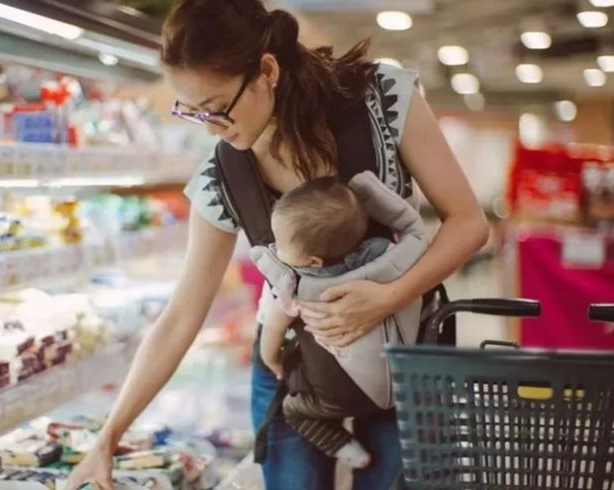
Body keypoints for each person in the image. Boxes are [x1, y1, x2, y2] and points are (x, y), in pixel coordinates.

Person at [66, 1, 488, 489]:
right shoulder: (222, 177)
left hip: (407, 354)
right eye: (193, 112)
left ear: (267, 70)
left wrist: (387, 297)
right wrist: (107, 437)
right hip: (297, 372)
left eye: (218, 106)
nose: (210, 127)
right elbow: (183, 312)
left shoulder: (383, 98)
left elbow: (468, 224)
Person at [256, 173, 425, 471]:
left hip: (334, 399)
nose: (275, 247)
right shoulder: (390, 256)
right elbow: (414, 229)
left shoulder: (294, 285)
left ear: (313, 262)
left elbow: (273, 330)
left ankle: (344, 447)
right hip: (400, 387)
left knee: (293, 411)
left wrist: (273, 362)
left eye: (280, 244)